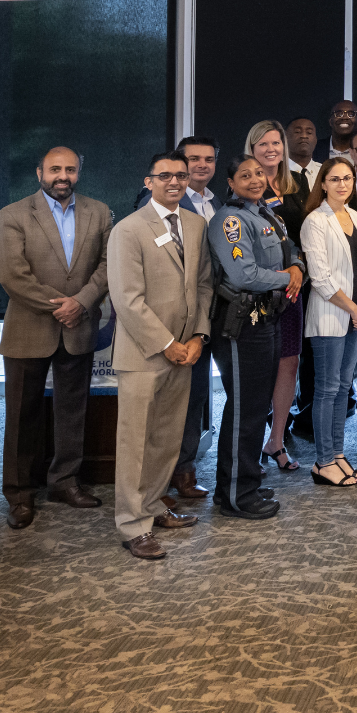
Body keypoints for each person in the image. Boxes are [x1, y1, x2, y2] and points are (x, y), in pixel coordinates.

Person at [107, 152, 212, 559]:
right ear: (148, 181)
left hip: (186, 351)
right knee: (136, 443)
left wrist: (199, 336)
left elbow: (203, 286)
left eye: (181, 176)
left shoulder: (196, 224)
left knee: (167, 439)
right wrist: (168, 343)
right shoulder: (128, 230)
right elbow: (127, 300)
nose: (174, 182)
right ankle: (133, 525)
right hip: (145, 354)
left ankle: (152, 507)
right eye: (165, 175)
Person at [0, 147, 112, 530]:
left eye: (70, 169)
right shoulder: (12, 215)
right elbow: (13, 276)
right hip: (29, 328)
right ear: (39, 173)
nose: (62, 176)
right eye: (54, 169)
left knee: (72, 411)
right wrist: (60, 306)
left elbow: (108, 264)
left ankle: (65, 482)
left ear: (79, 172)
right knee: (20, 415)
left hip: (78, 326)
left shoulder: (98, 212)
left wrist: (80, 302)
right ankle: (19, 494)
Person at [207, 154, 305, 520]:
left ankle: (237, 483)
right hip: (241, 324)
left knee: (253, 408)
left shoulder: (267, 214)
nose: (254, 179)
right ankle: (236, 495)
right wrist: (289, 278)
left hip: (268, 318)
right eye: (244, 175)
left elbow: (291, 250)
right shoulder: (230, 220)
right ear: (230, 183)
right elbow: (244, 274)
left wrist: (295, 265)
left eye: (259, 173)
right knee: (245, 411)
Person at [301, 158, 357, 487]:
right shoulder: (315, 222)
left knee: (345, 387)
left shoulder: (356, 216)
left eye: (347, 178)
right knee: (327, 389)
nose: (342, 184)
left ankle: (338, 455)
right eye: (335, 179)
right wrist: (353, 307)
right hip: (332, 315)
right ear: (323, 183)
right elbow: (320, 278)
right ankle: (323, 461)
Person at [246, 120, 310, 469]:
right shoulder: (245, 185)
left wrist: (298, 268)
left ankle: (276, 441)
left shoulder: (296, 184)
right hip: (258, 290)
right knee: (260, 368)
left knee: (289, 363)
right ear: (251, 149)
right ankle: (252, 442)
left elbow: (305, 233)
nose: (271, 149)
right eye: (263, 144)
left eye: (276, 143)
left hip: (294, 287)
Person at [164, 137, 222, 500]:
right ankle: (161, 477)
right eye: (192, 159)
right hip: (173, 322)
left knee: (196, 396)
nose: (201, 165)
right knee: (169, 402)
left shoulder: (217, 203)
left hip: (210, 315)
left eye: (208, 159)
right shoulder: (160, 201)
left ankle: (184, 470)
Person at [287, 117, 321, 186]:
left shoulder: (325, 172)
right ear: (285, 138)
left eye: (309, 132)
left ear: (316, 140)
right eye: (297, 132)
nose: (304, 136)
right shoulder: (275, 172)